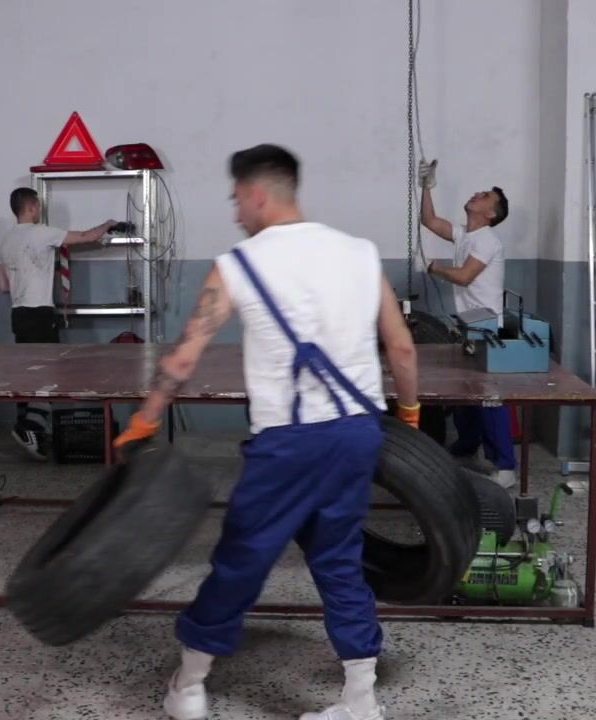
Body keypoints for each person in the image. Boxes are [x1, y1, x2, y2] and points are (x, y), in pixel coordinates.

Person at [113, 144, 421, 720]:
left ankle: (190, 686)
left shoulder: (239, 264)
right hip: (358, 432)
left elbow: (183, 359)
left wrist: (145, 420)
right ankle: (361, 701)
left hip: (289, 444)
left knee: (243, 558)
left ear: (257, 194)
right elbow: (401, 348)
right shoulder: (360, 253)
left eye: (236, 200)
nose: (235, 213)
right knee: (340, 558)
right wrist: (409, 414)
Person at [417, 158, 517, 489]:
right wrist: (426, 187)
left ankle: (505, 466)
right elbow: (429, 220)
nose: (478, 194)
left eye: (486, 196)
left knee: (489, 398)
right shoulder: (465, 235)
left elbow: (463, 277)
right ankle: (466, 447)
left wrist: (433, 267)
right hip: (470, 324)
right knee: (465, 393)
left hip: (487, 327)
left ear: (490, 214)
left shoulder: (487, 241)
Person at [0, 187, 115, 460]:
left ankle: (28, 428)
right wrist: (108, 225)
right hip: (40, 314)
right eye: (38, 206)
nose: (40, 210)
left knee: (28, 374)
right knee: (46, 375)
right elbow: (86, 237)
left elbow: (3, 285)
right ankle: (30, 428)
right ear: (32, 207)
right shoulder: (41, 232)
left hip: (19, 314)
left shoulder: (5, 241)